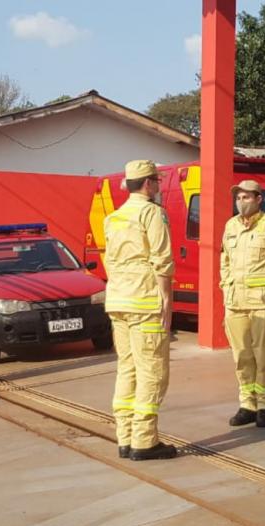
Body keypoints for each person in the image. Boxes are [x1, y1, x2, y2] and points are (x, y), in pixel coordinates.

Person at [103, 160, 176, 460]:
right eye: (157, 181)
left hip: (118, 301)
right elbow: (162, 259)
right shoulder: (152, 213)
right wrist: (167, 301)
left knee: (127, 368)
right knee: (152, 372)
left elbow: (110, 260)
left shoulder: (114, 218)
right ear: (148, 184)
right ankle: (144, 442)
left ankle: (125, 438)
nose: (158, 185)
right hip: (145, 302)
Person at [220, 180, 265, 428]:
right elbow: (225, 261)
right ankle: (247, 405)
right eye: (238, 198)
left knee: (263, 356)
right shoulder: (230, 226)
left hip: (263, 302)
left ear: (259, 199)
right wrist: (225, 289)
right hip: (235, 303)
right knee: (241, 357)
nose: (241, 202)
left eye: (246, 197)